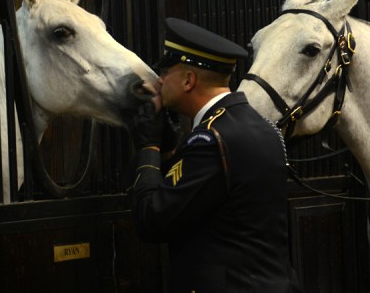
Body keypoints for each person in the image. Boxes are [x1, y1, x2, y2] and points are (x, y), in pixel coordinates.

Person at [129, 17, 301, 293]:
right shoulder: (262, 126)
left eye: (166, 71)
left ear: (188, 80)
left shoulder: (211, 139)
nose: (160, 80)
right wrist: (171, 150)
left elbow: (152, 220)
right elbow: (217, 206)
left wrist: (148, 146)